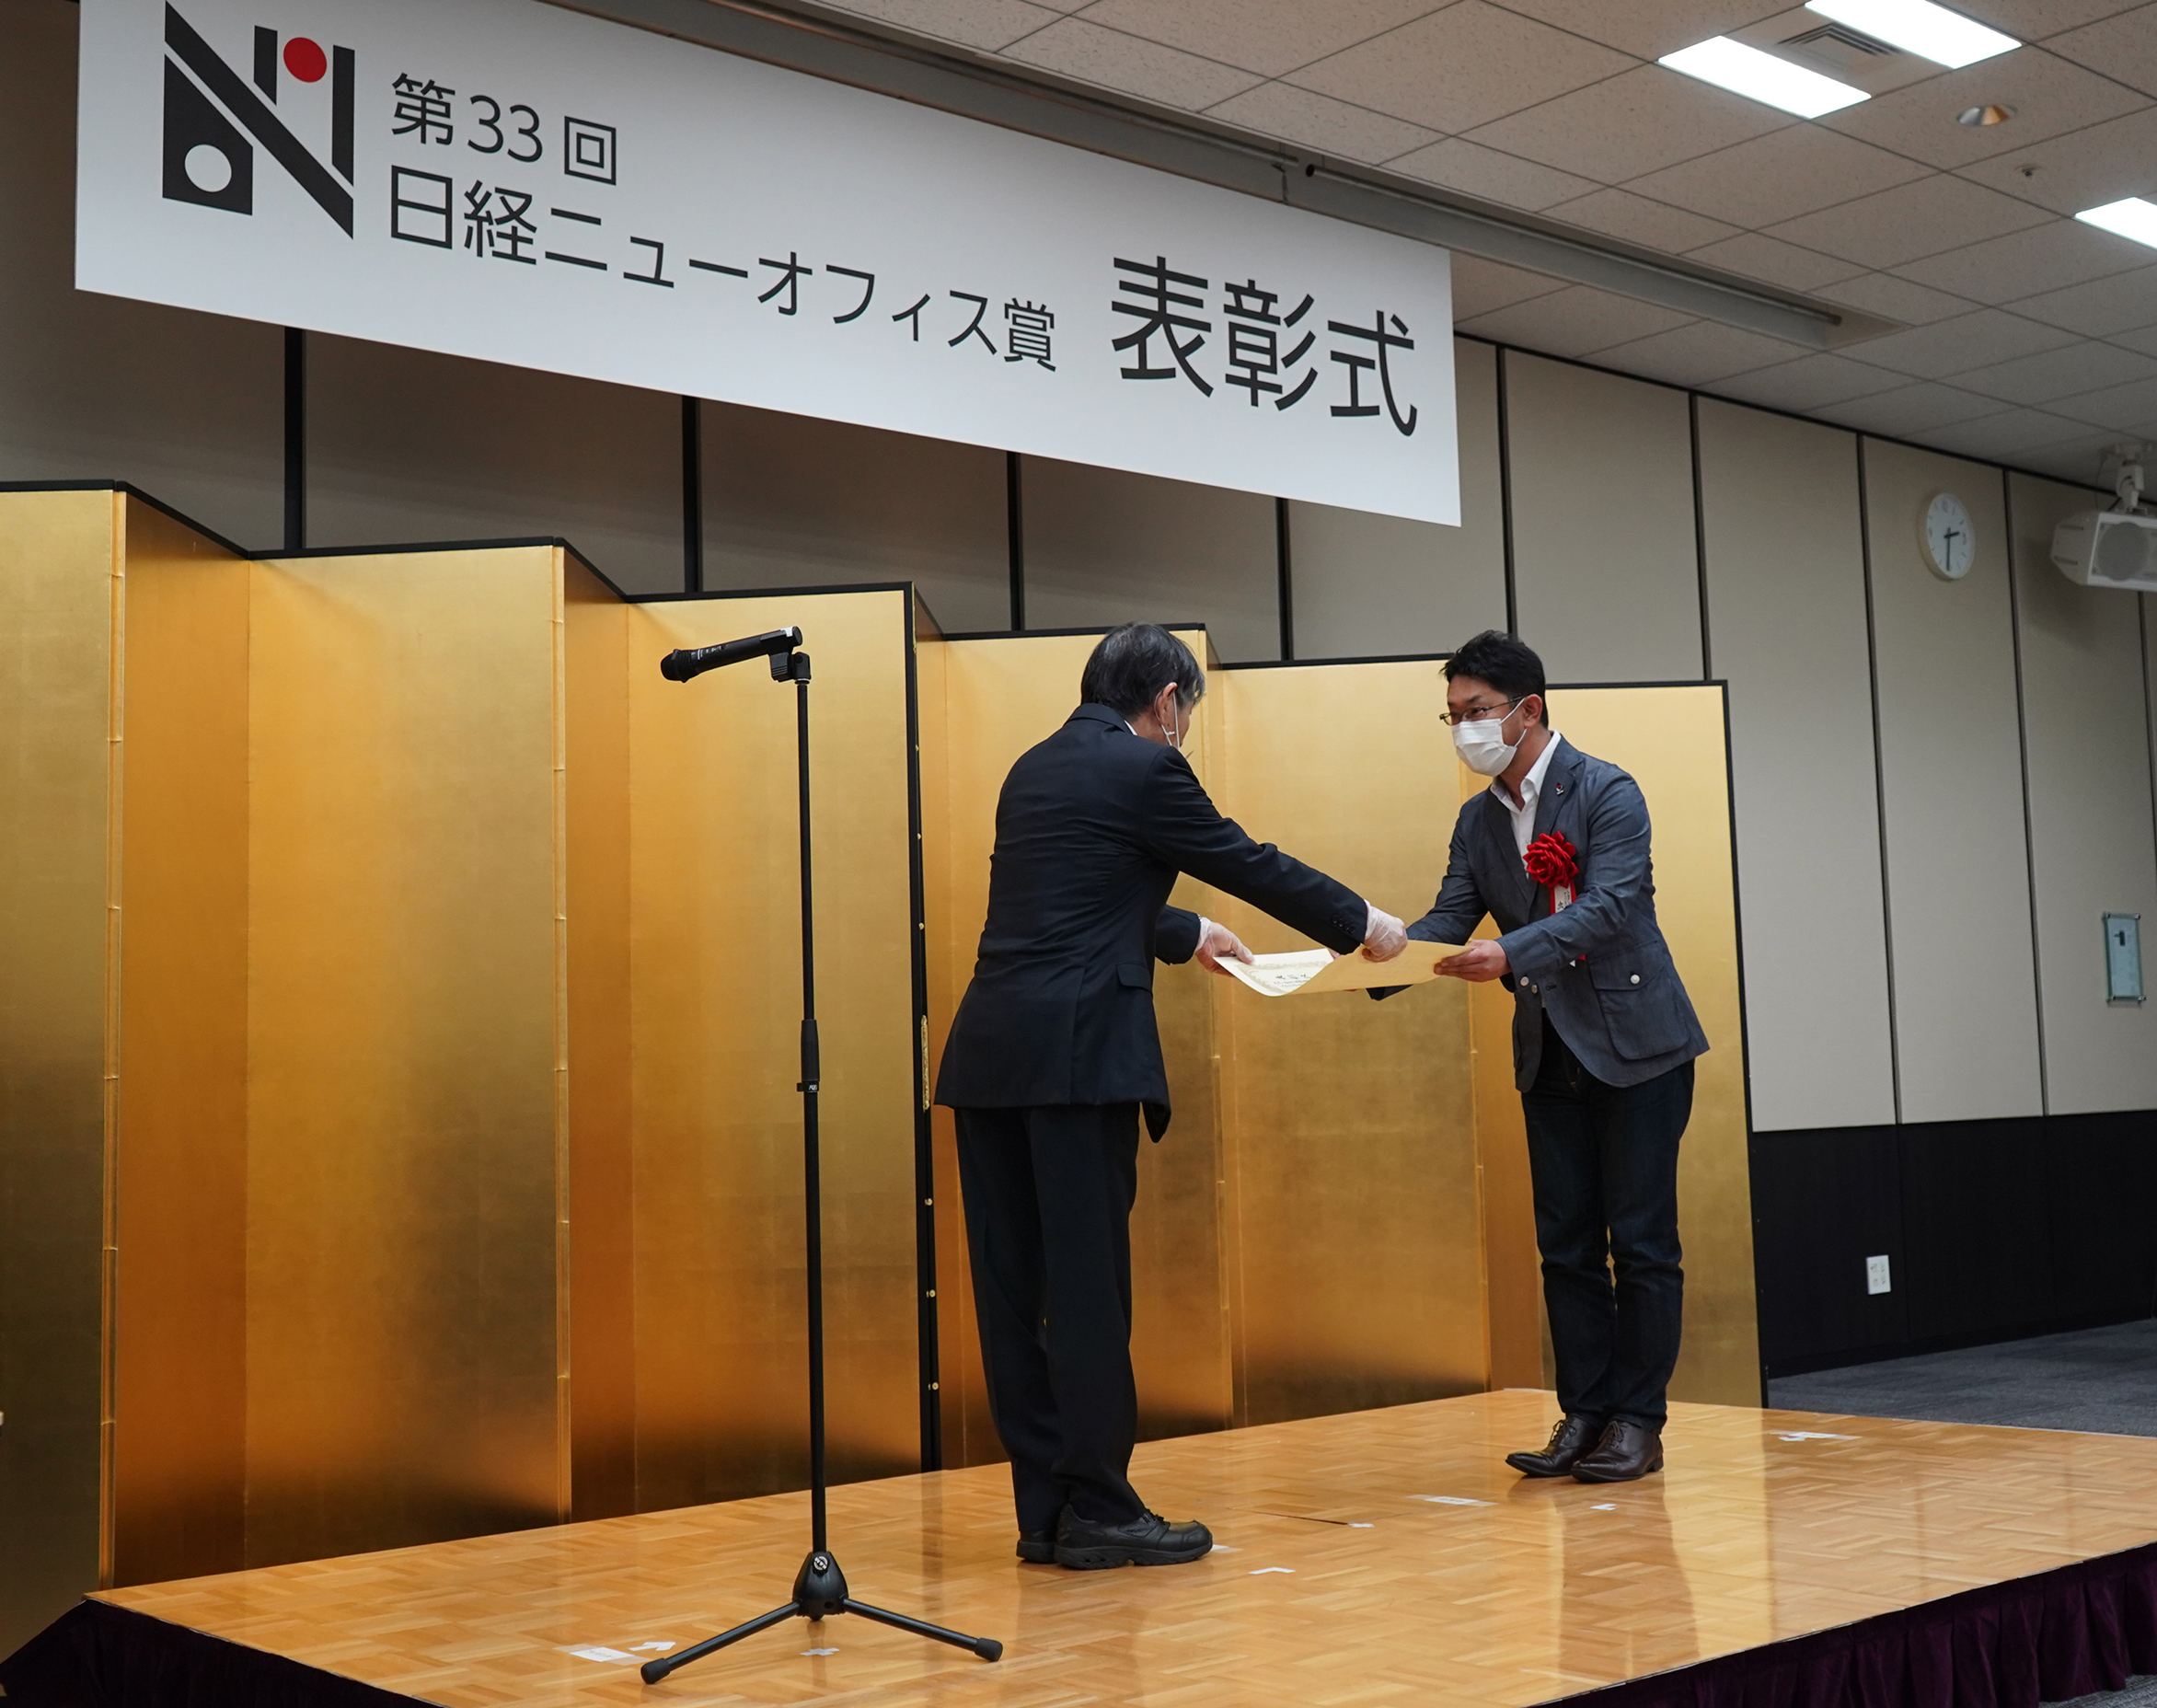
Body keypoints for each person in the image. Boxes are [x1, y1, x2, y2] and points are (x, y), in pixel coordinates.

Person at [935, 622, 1408, 1570]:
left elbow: (1073, 891)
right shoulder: (1149, 769)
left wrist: (1185, 932)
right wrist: (1361, 921)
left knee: (1012, 1293)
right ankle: (1104, 1508)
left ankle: (1048, 1511)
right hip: (1076, 1063)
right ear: (1165, 700)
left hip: (989, 1058)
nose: (1183, 726)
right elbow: (1248, 856)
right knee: (1086, 1295)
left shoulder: (1032, 767)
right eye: (1186, 710)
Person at [1386, 629, 1707, 1484]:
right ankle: (1587, 1414)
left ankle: (1639, 1421)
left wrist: (1512, 951)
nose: (1464, 730)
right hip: (1550, 1053)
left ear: (1528, 711)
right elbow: (1448, 921)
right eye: (1451, 716)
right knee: (1564, 1246)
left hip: (1638, 1048)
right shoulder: (1477, 819)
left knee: (1640, 1242)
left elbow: (1610, 907)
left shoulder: (1607, 790)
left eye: (1476, 712)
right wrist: (1361, 957)